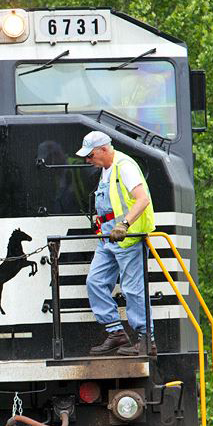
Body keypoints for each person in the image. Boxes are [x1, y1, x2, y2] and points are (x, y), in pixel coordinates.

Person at [75, 130, 156, 356]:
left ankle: (146, 340)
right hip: (107, 239)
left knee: (132, 289)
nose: (88, 160)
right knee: (95, 281)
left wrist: (125, 225)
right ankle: (116, 333)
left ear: (103, 149)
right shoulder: (105, 170)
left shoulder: (125, 166)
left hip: (128, 238)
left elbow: (143, 199)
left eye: (90, 155)